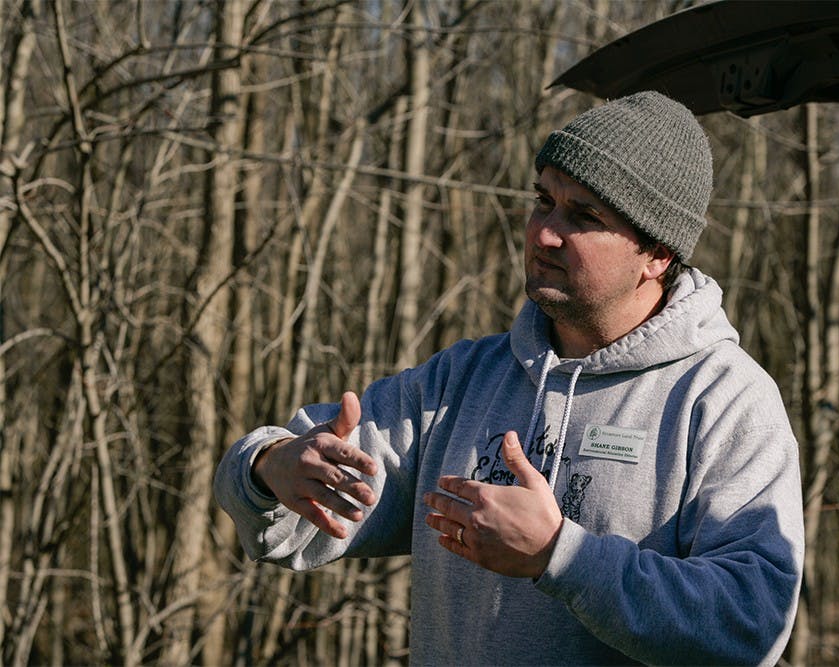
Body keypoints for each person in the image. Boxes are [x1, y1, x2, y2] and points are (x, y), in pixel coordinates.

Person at [215, 91, 804, 666]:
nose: (545, 232)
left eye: (584, 216)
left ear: (657, 254)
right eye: (543, 201)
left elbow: (749, 624)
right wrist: (271, 467)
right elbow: (293, 517)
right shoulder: (462, 381)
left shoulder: (725, 400)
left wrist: (560, 555)